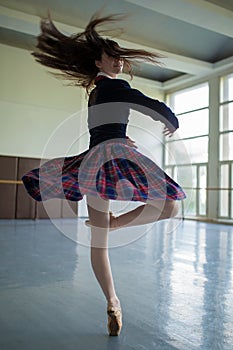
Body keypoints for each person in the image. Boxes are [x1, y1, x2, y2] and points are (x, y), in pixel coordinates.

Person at [22, 13, 186, 336]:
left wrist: (119, 136)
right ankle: (117, 224)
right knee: (171, 205)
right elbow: (144, 102)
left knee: (100, 243)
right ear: (99, 60)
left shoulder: (95, 92)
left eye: (120, 57)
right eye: (113, 56)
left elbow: (100, 128)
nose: (119, 61)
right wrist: (170, 118)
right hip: (113, 158)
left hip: (94, 162)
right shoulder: (115, 86)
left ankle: (112, 300)